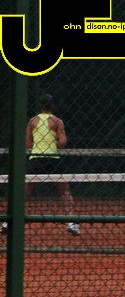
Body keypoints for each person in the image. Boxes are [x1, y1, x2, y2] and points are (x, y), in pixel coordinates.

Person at [26, 94, 78, 235]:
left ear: (40, 105)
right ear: (52, 105)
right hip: (52, 159)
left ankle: (8, 222)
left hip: (36, 158)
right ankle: (71, 223)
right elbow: (63, 142)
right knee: (65, 191)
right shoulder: (57, 121)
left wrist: (39, 144)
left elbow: (28, 144)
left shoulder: (32, 121)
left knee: (23, 192)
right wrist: (51, 143)